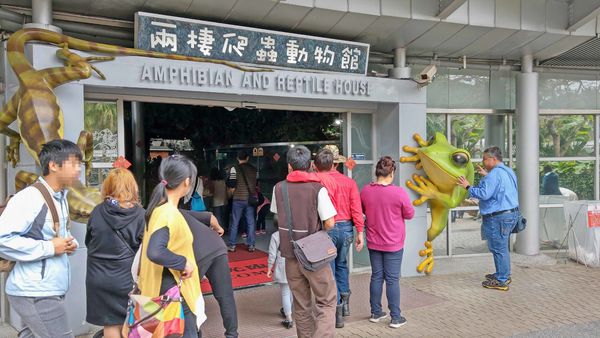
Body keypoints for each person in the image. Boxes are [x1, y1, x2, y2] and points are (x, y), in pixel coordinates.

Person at [0, 139, 82, 338]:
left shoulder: (59, 196)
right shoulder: (30, 198)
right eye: (74, 163)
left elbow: (55, 236)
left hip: (48, 287)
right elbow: (3, 239)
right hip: (35, 291)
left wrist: (69, 243)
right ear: (53, 165)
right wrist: (50, 248)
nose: (78, 169)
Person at [270, 145, 337, 338]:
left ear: (289, 166)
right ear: (309, 165)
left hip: (290, 256)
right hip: (314, 256)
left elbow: (277, 215)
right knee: (326, 301)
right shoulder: (318, 189)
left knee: (301, 305)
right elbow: (330, 223)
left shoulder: (278, 188)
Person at [139, 154, 206, 337]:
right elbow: (155, 251)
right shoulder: (167, 213)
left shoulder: (157, 209)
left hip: (158, 292)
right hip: (173, 294)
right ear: (186, 182)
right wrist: (184, 263)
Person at [85, 168, 145, 338]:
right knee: (130, 321)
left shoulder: (97, 211)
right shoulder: (140, 215)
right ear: (133, 187)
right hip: (126, 277)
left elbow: (89, 242)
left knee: (110, 323)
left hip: (99, 277)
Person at [360, 156, 414, 329]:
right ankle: (396, 317)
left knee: (376, 276)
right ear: (391, 172)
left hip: (374, 241)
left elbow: (361, 211)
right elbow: (410, 214)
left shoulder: (366, 191)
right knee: (392, 279)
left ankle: (376, 312)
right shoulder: (399, 192)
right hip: (393, 243)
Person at [314, 145, 364, 328]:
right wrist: (360, 231)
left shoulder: (317, 181)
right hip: (346, 228)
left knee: (329, 269)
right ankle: (345, 301)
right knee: (342, 264)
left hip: (327, 227)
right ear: (337, 163)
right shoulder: (349, 182)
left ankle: (337, 310)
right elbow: (356, 209)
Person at [457, 146, 520, 291]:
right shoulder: (507, 171)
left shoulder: (494, 175)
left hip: (499, 217)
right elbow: (499, 187)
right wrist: (487, 175)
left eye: (485, 159)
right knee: (501, 247)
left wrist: (467, 186)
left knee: (499, 248)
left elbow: (484, 194)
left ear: (493, 159)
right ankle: (503, 274)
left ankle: (502, 280)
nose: (483, 162)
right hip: (510, 214)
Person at [180, 210, 239, 338]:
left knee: (190, 296)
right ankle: (232, 334)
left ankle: (194, 332)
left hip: (197, 256)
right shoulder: (179, 211)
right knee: (225, 296)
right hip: (217, 246)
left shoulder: (162, 216)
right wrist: (219, 229)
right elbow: (210, 217)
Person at [227, 150, 258, 252]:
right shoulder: (254, 169)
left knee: (235, 222)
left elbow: (231, 185)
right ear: (247, 158)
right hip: (250, 199)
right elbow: (255, 184)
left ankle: (232, 245)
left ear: (237, 158)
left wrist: (231, 194)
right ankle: (251, 245)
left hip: (238, 199)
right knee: (250, 222)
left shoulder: (234, 169)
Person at [267, 231, 293, 329]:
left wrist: (269, 268)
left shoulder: (275, 235)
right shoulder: (295, 231)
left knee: (285, 292)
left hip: (282, 263)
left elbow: (272, 254)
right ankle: (288, 310)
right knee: (292, 290)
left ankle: (288, 318)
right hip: (295, 262)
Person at [208, 167, 229, 231]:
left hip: (216, 202)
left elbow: (211, 192)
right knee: (224, 216)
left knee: (218, 217)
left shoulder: (212, 182)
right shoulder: (224, 182)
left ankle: (219, 230)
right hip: (224, 201)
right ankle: (225, 228)